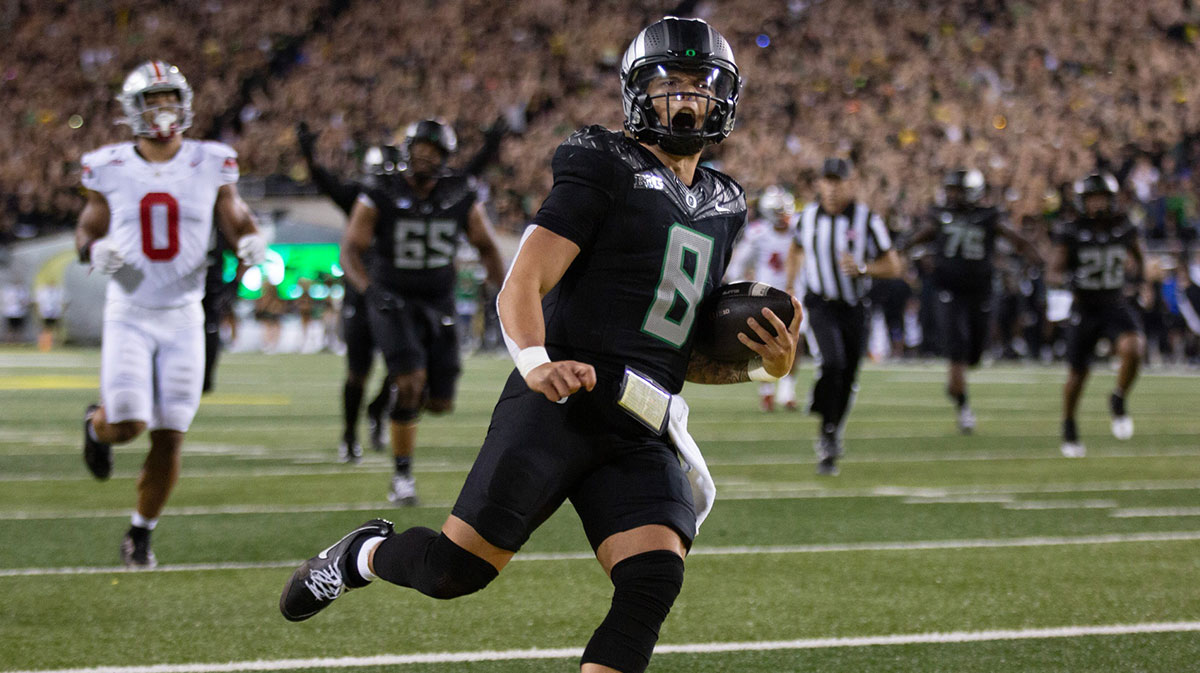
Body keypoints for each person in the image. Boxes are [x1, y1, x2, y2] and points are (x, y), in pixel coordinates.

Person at [280, 17, 800, 673]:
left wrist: (763, 366)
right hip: (560, 401)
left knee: (652, 580)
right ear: (638, 92)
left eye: (700, 86)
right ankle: (359, 554)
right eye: (669, 84)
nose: (686, 100)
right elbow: (521, 281)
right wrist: (537, 361)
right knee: (454, 570)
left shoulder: (726, 200)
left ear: (725, 96)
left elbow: (680, 349)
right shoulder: (602, 162)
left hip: (641, 419)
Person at [75, 61, 265, 568]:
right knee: (130, 423)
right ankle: (97, 428)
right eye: (152, 100)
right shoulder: (108, 164)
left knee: (170, 432)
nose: (162, 110)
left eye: (168, 99)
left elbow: (234, 213)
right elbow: (87, 229)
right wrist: (93, 251)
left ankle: (140, 532)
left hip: (184, 310)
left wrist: (249, 238)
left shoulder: (211, 160)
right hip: (131, 306)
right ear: (133, 110)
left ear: (183, 103)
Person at [337, 118, 506, 504]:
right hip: (393, 299)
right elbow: (350, 249)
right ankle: (402, 479)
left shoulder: (459, 193)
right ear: (407, 151)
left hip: (439, 301)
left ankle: (384, 407)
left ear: (446, 157)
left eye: (434, 151)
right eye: (420, 149)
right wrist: (368, 290)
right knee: (411, 381)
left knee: (440, 402)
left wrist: (504, 292)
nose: (425, 157)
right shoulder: (380, 189)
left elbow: (488, 246)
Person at [901, 169, 1041, 434]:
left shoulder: (988, 217)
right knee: (957, 349)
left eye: (958, 190)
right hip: (948, 290)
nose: (952, 195)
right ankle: (964, 409)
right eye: (951, 190)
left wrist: (1035, 257)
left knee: (975, 354)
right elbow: (918, 237)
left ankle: (957, 384)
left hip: (980, 292)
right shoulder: (940, 216)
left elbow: (1016, 239)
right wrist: (900, 250)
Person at [785, 158, 902, 476]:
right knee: (833, 362)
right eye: (827, 181)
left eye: (839, 182)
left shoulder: (867, 220)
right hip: (820, 303)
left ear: (852, 184)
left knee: (848, 375)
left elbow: (894, 265)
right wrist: (790, 284)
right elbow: (795, 249)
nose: (832, 189)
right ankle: (826, 428)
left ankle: (832, 429)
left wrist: (865, 268)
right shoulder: (807, 217)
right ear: (819, 184)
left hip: (854, 306)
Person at [297, 126, 397, 461]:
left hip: (396, 292)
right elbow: (327, 184)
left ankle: (377, 410)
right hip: (361, 292)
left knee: (405, 367)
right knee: (358, 370)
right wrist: (309, 156)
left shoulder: (409, 198)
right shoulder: (359, 197)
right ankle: (349, 435)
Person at [1050, 173, 1146, 457]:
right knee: (1078, 375)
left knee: (1135, 348)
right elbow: (1053, 269)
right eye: (1092, 199)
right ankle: (1069, 424)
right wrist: (1066, 281)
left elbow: (1140, 257)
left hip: (1114, 303)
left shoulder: (1123, 226)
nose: (1097, 204)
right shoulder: (1072, 230)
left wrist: (1140, 283)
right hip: (1085, 306)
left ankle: (1118, 398)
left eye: (1102, 198)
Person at [726, 185, 800, 411]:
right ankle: (766, 391)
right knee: (763, 344)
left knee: (797, 342)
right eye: (779, 211)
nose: (784, 215)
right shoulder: (759, 234)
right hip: (765, 296)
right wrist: (740, 286)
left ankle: (787, 391)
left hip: (795, 292)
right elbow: (738, 264)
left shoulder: (799, 230)